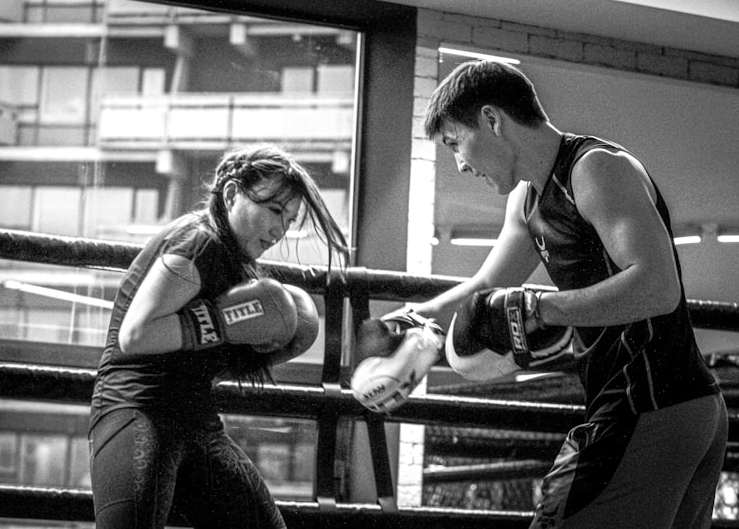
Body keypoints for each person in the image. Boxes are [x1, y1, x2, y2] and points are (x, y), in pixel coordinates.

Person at [357, 60, 727, 528]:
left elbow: (658, 288)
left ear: (493, 120)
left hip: (651, 408)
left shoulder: (595, 170)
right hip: (669, 410)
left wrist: (538, 307)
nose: (460, 163)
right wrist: (412, 319)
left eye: (456, 143)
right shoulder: (527, 198)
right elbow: (486, 287)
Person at [89, 143, 348, 529]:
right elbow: (137, 334)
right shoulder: (200, 243)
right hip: (136, 410)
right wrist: (226, 321)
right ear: (231, 195)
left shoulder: (236, 262)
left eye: (290, 220)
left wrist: (263, 341)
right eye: (274, 210)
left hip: (195, 420)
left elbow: (202, 347)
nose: (280, 229)